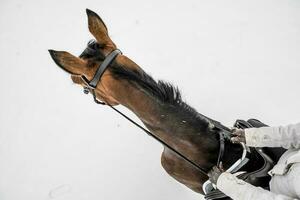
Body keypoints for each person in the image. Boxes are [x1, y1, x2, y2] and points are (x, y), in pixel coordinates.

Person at [208, 122, 300, 200]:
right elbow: (294, 133)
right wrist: (252, 136)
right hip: (287, 156)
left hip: (275, 193)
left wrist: (228, 186)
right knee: (251, 123)